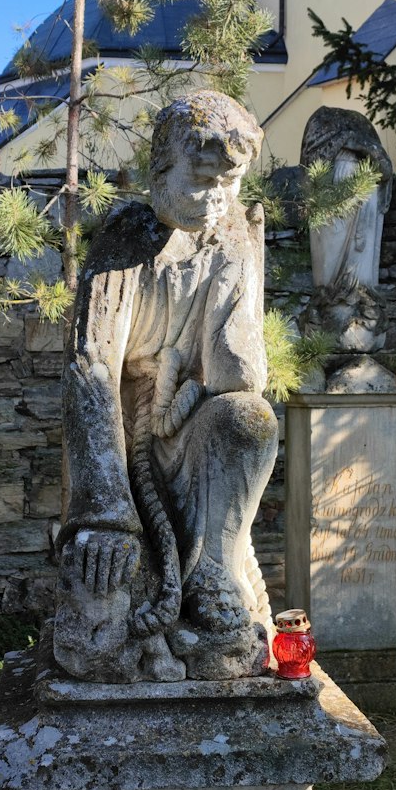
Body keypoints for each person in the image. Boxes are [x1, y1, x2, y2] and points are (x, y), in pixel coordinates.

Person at [53, 91, 277, 683]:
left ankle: (212, 577)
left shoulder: (228, 237)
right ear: (162, 168)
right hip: (120, 445)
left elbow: (237, 376)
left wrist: (244, 265)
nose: (217, 199)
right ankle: (138, 590)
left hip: (186, 427)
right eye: (203, 180)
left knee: (250, 419)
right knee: (101, 628)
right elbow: (90, 371)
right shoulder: (125, 241)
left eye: (230, 185)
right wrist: (106, 510)